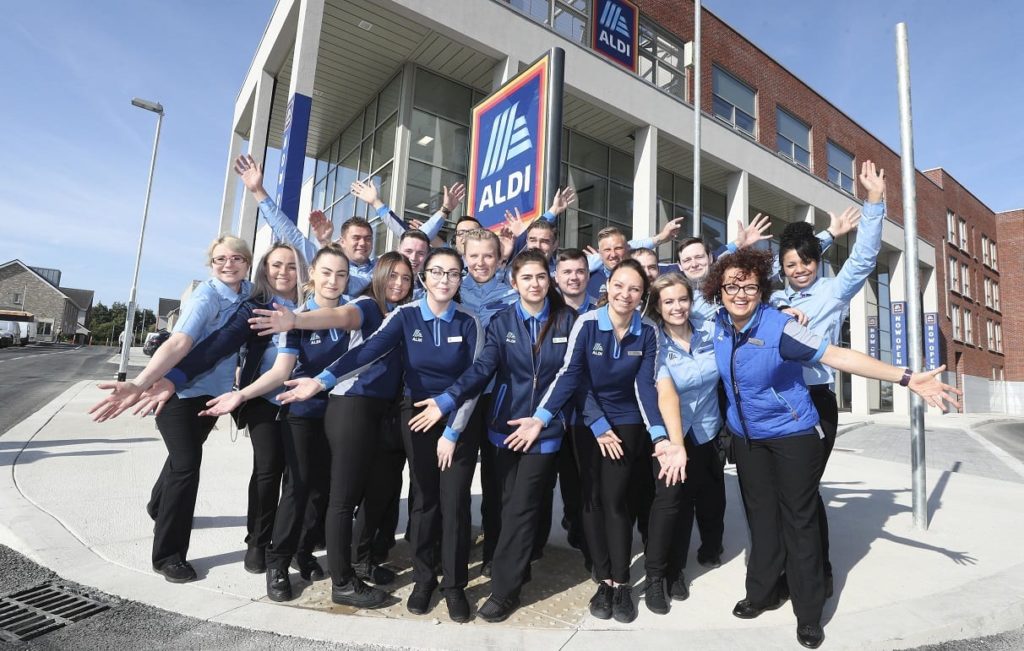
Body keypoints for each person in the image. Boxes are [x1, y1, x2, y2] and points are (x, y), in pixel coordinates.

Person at [702, 248, 960, 649]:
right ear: (719, 288)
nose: (740, 293)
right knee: (761, 520)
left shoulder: (780, 327)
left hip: (792, 435)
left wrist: (906, 378)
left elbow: (837, 355)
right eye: (732, 285)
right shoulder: (717, 322)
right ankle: (763, 592)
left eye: (749, 286)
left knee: (799, 521)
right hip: (748, 439)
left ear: (762, 290)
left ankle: (808, 612)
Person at [275, 248, 483, 623]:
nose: (444, 280)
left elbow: (475, 377)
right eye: (436, 272)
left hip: (444, 419)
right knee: (411, 499)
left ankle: (451, 586)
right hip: (392, 412)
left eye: (453, 273)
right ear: (426, 277)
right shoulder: (397, 314)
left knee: (447, 502)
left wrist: (452, 427)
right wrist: (319, 378)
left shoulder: (470, 320)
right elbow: (366, 349)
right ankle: (412, 581)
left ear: (460, 279)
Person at [507, 259, 687, 624]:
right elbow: (572, 376)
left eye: (634, 289)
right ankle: (603, 580)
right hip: (589, 421)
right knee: (590, 500)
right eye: (619, 285)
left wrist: (659, 436)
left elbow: (644, 387)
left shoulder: (648, 330)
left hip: (629, 422)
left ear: (642, 295)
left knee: (615, 501)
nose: (625, 294)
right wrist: (543, 419)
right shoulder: (587, 323)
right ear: (608, 284)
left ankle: (622, 583)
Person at [407, 248, 578, 622]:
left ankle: (504, 590)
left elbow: (571, 376)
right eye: (527, 278)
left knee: (523, 507)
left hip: (545, 430)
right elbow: (481, 368)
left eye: (541, 277)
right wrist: (447, 399)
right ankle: (514, 565)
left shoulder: (569, 321)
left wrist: (545, 417)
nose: (535, 284)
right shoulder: (501, 322)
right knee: (502, 507)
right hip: (503, 428)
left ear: (549, 281)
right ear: (513, 283)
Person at [87, 236, 256, 583]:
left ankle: (157, 505)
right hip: (174, 393)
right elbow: (179, 342)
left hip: (211, 396)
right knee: (187, 467)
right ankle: (168, 556)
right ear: (210, 264)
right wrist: (139, 383)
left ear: (247, 263)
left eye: (236, 258)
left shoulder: (248, 293)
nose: (228, 264)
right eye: (220, 259)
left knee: (183, 457)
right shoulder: (206, 297)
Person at [771, 160, 887, 599]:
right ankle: (787, 572)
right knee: (785, 494)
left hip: (815, 398)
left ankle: (816, 574)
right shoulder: (775, 295)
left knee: (801, 493)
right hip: (775, 400)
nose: (800, 269)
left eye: (808, 262)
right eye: (792, 263)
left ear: (817, 263)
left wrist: (873, 204)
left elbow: (864, 259)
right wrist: (824, 234)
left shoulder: (832, 290)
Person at [233, 154, 455, 296]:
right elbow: (289, 233)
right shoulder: (326, 262)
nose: (363, 243)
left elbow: (415, 241)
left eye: (368, 238)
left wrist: (443, 212)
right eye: (356, 238)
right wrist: (258, 191)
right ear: (342, 241)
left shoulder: (383, 267)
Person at [642, 272, 724, 613]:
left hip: (705, 431)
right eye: (669, 301)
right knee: (668, 503)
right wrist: (676, 447)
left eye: (682, 299)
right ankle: (654, 578)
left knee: (691, 502)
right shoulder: (654, 341)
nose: (677, 307)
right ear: (658, 307)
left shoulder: (710, 332)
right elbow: (665, 393)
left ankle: (676, 571)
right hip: (669, 437)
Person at [585, 220, 684, 301]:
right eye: (607, 250)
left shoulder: (650, 270)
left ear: (628, 248)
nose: (613, 254)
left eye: (618, 248)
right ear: (599, 253)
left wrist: (660, 237)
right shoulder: (588, 276)